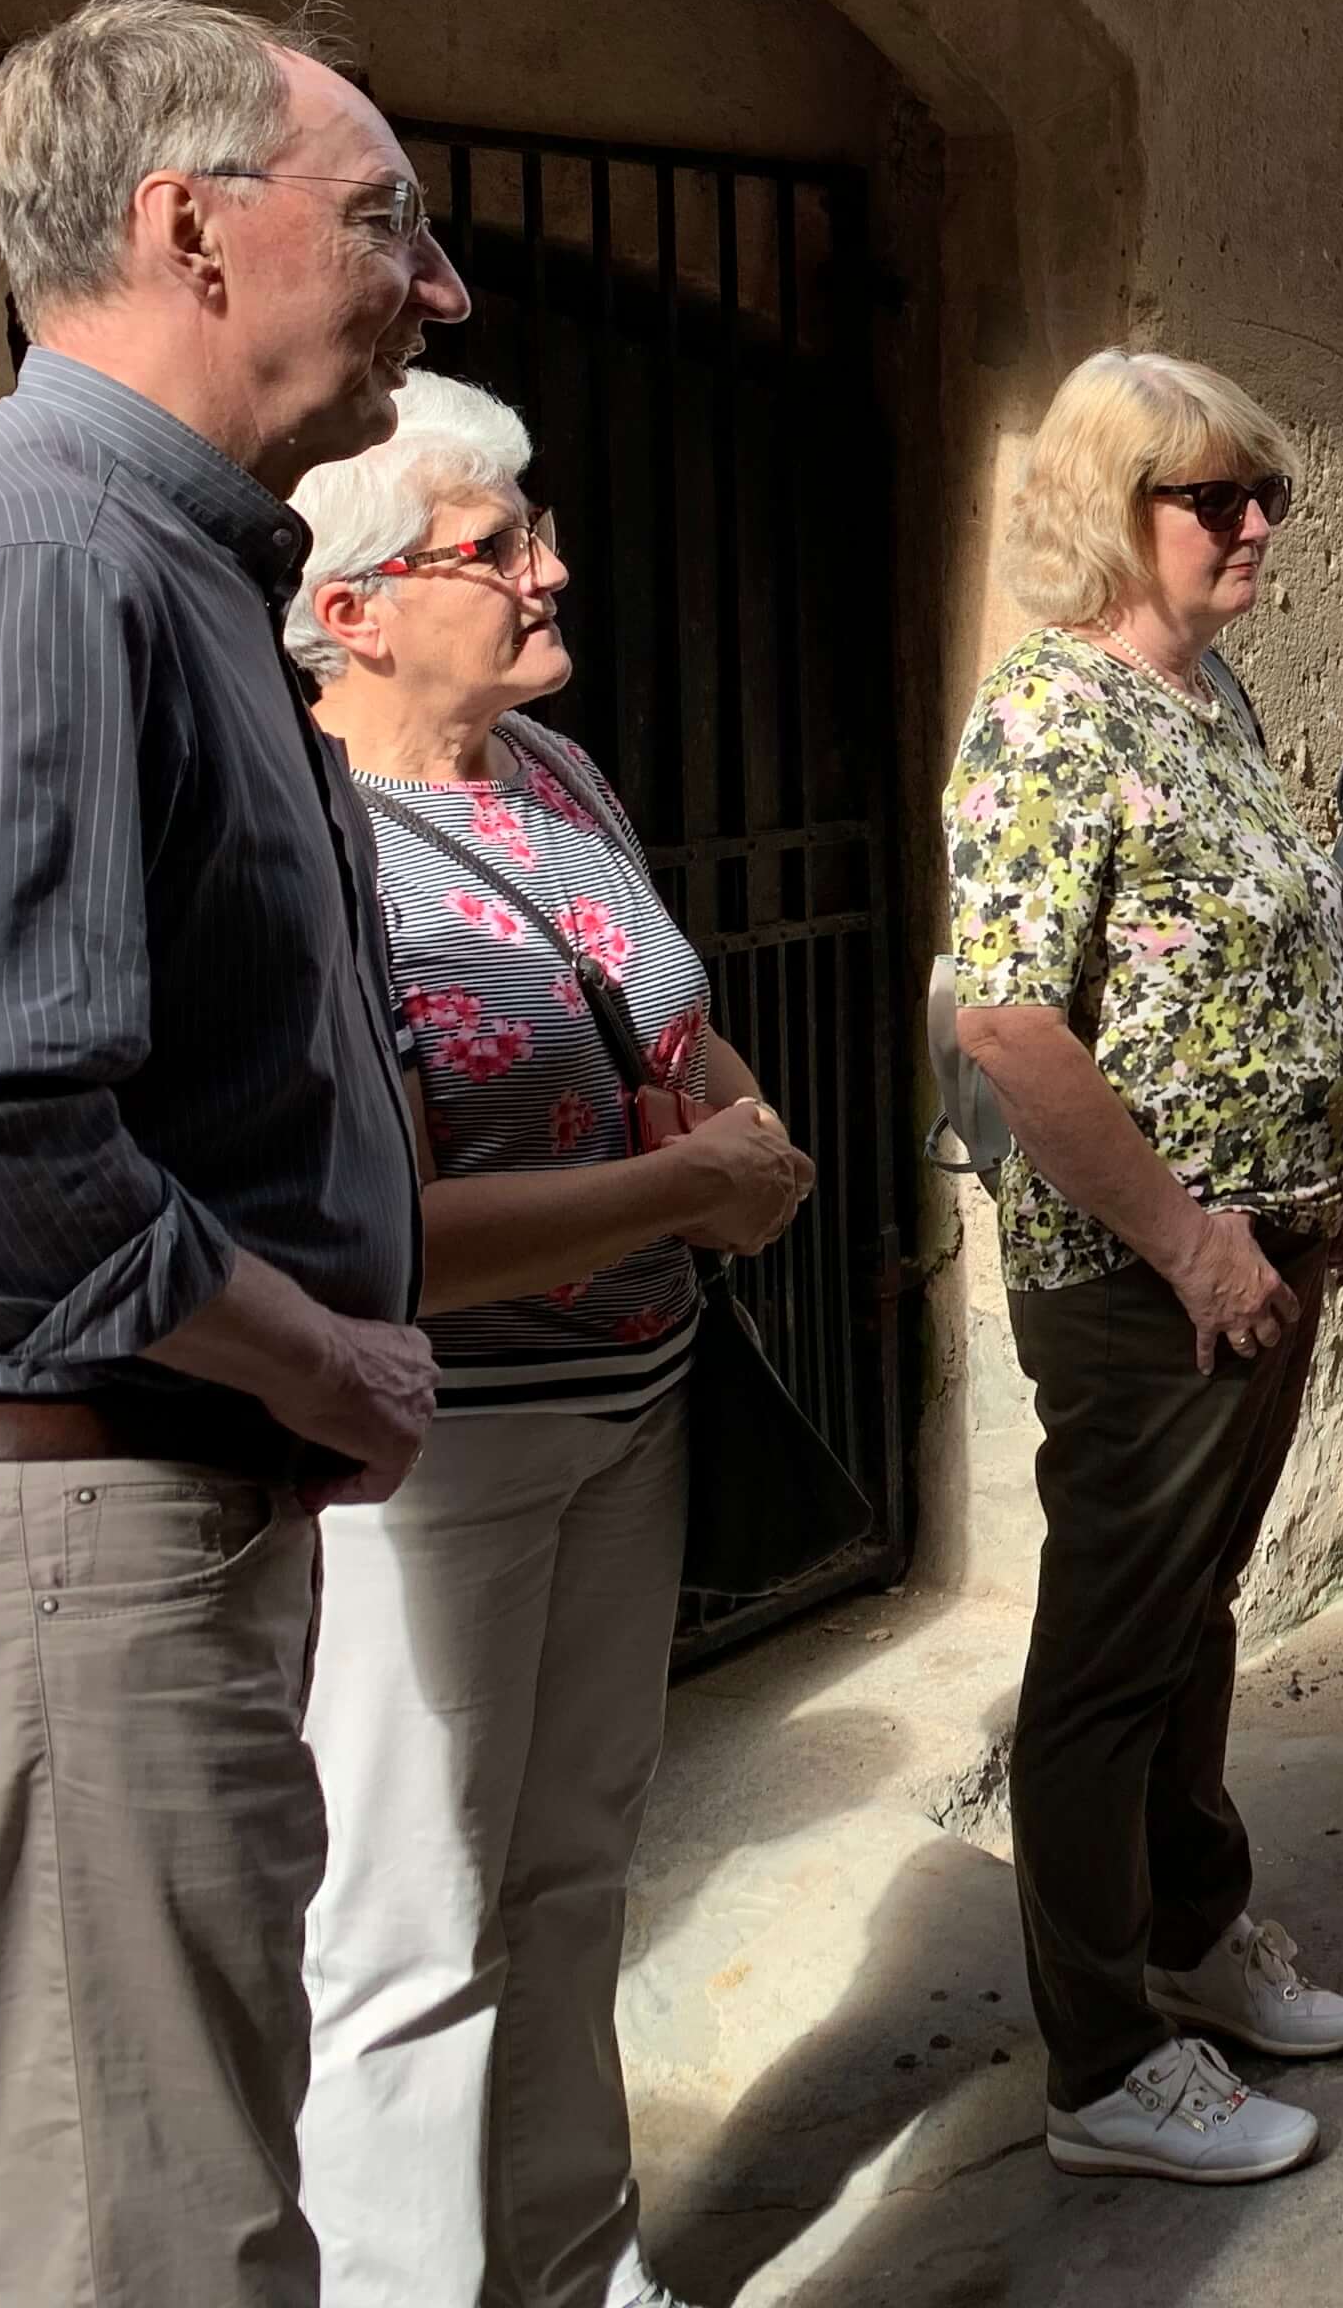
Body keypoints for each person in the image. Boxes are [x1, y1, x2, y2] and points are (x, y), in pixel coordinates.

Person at [0, 0, 459, 2301]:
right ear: (191, 230)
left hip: (97, 1524)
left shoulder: (155, 563)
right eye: (385, 218)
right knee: (134, 2256)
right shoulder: (29, 562)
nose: (442, 283)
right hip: (45, 1539)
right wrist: (318, 1357)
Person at [283, 371, 817, 2308]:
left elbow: (668, 1017)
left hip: (631, 1401)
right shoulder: (310, 840)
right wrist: (687, 1188)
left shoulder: (554, 776)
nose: (551, 567)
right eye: (497, 542)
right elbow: (387, 1235)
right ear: (351, 609)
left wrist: (750, 1142)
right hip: (439, 1459)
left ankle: (588, 2272)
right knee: (411, 1925)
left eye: (539, 526)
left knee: (577, 1871)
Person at [946, 351, 1343, 2184]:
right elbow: (1010, 1025)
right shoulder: (1049, 714)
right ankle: (1105, 2060)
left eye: (1263, 491)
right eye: (1216, 497)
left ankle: (1190, 1932)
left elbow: (1268, 962)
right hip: (1143, 1273)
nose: (1258, 523)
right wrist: (1194, 1238)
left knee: (1191, 1611)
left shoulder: (1202, 696)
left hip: (1262, 1241)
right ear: (1109, 509)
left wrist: (1339, 1166)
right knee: (1109, 1652)